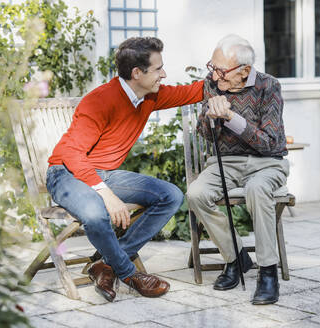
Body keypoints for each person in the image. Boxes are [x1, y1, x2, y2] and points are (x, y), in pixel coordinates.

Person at [46, 37, 203, 302]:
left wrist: (232, 75)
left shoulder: (150, 96)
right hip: (66, 173)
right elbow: (73, 154)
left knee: (171, 195)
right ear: (137, 73)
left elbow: (193, 91)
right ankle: (129, 274)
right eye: (158, 69)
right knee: (96, 214)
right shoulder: (100, 101)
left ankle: (106, 264)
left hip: (103, 173)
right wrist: (107, 195)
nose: (163, 74)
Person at [186, 34, 289, 305]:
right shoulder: (214, 84)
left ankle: (268, 273)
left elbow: (268, 143)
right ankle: (235, 258)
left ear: (244, 71)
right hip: (226, 164)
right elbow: (206, 135)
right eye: (213, 67)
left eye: (221, 70)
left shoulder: (269, 86)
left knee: (256, 188)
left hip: (267, 164)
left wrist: (232, 118)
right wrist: (210, 118)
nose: (215, 75)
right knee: (196, 193)